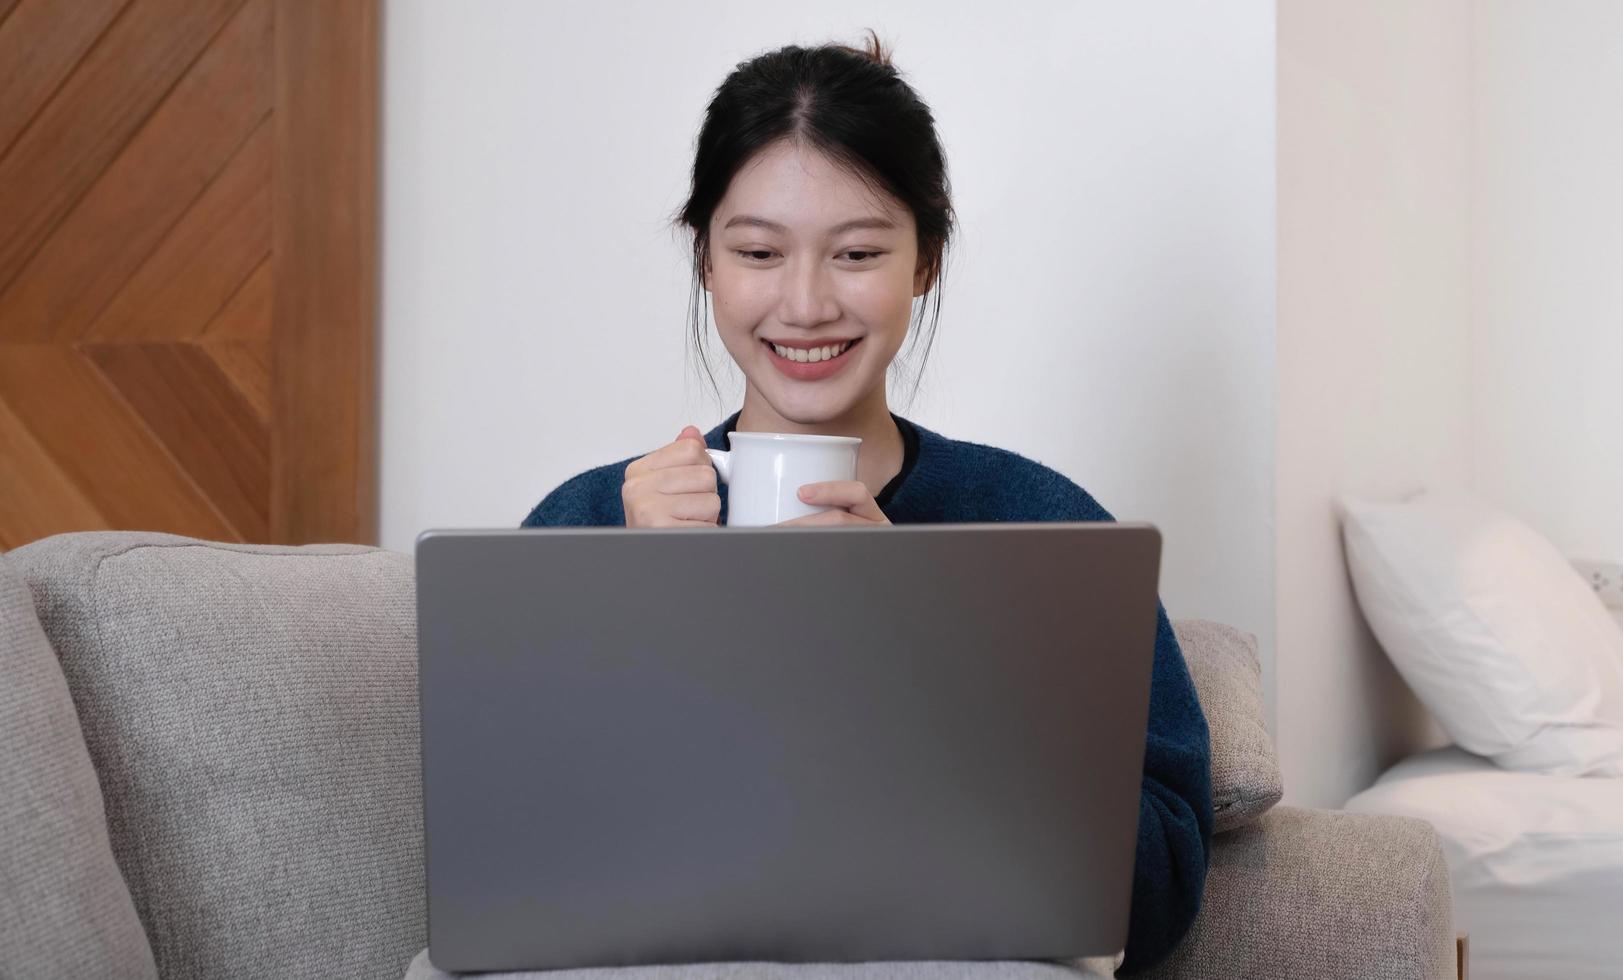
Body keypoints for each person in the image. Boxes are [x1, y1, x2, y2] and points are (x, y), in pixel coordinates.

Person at [521, 31, 1212, 976]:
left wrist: (913, 638)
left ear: (924, 260)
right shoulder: (591, 526)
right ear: (705, 263)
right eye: (758, 250)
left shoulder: (1040, 523)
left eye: (855, 252)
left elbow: (1160, 884)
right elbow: (520, 854)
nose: (804, 306)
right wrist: (640, 597)